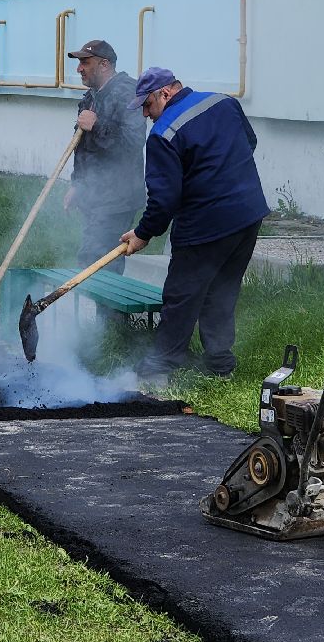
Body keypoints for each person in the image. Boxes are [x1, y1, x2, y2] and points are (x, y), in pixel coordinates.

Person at [119, 67, 269, 388]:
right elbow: (249, 142)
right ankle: (220, 363)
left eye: (147, 105)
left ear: (165, 93)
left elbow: (164, 199)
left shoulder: (163, 133)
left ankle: (158, 369)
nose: (146, 115)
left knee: (181, 296)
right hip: (248, 215)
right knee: (222, 290)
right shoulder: (223, 102)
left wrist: (143, 233)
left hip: (205, 225)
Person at [63, 39, 144, 274]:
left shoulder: (127, 92)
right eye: (79, 63)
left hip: (117, 197)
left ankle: (110, 312)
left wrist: (97, 125)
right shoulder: (92, 95)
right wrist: (78, 184)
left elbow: (133, 143)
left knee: (99, 259)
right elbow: (86, 148)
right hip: (96, 194)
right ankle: (103, 311)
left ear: (104, 65)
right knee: (94, 259)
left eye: (85, 62)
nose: (79, 68)